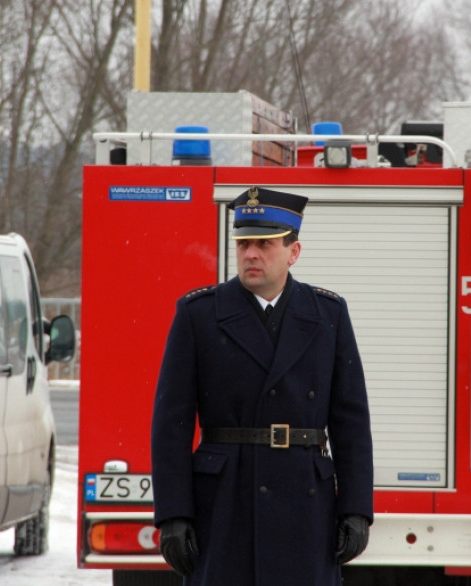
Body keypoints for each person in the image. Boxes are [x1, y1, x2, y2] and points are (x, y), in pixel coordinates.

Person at [151, 186, 374, 586]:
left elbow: (351, 421)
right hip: (223, 504)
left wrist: (356, 509)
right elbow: (171, 424)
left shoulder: (328, 314)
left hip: (305, 501)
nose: (251, 254)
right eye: (244, 243)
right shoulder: (199, 315)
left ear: (294, 251)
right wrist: (174, 514)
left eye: (266, 244)